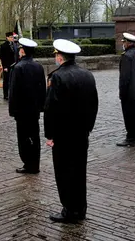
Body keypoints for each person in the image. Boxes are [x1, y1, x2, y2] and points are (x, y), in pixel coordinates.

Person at [44, 39, 98, 223]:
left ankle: (69, 210)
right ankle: (80, 208)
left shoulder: (57, 77)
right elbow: (94, 105)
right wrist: (88, 127)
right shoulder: (87, 74)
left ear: (60, 56)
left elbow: (51, 108)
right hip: (81, 134)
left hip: (64, 136)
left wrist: (50, 134)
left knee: (64, 173)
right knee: (79, 172)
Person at [8, 38, 46, 174]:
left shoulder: (18, 68)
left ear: (22, 52)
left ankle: (28, 164)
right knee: (35, 137)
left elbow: (14, 92)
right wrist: (41, 107)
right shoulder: (39, 67)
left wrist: (13, 111)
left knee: (24, 139)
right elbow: (43, 90)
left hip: (22, 111)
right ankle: (35, 163)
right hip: (34, 110)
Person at [0, 32, 17, 100]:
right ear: (7, 37)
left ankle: (13, 94)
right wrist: (5, 67)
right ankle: (6, 95)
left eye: (12, 37)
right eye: (10, 37)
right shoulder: (3, 46)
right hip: (7, 66)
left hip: (14, 65)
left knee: (14, 80)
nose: (12, 38)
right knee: (6, 80)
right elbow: (3, 58)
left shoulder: (15, 45)